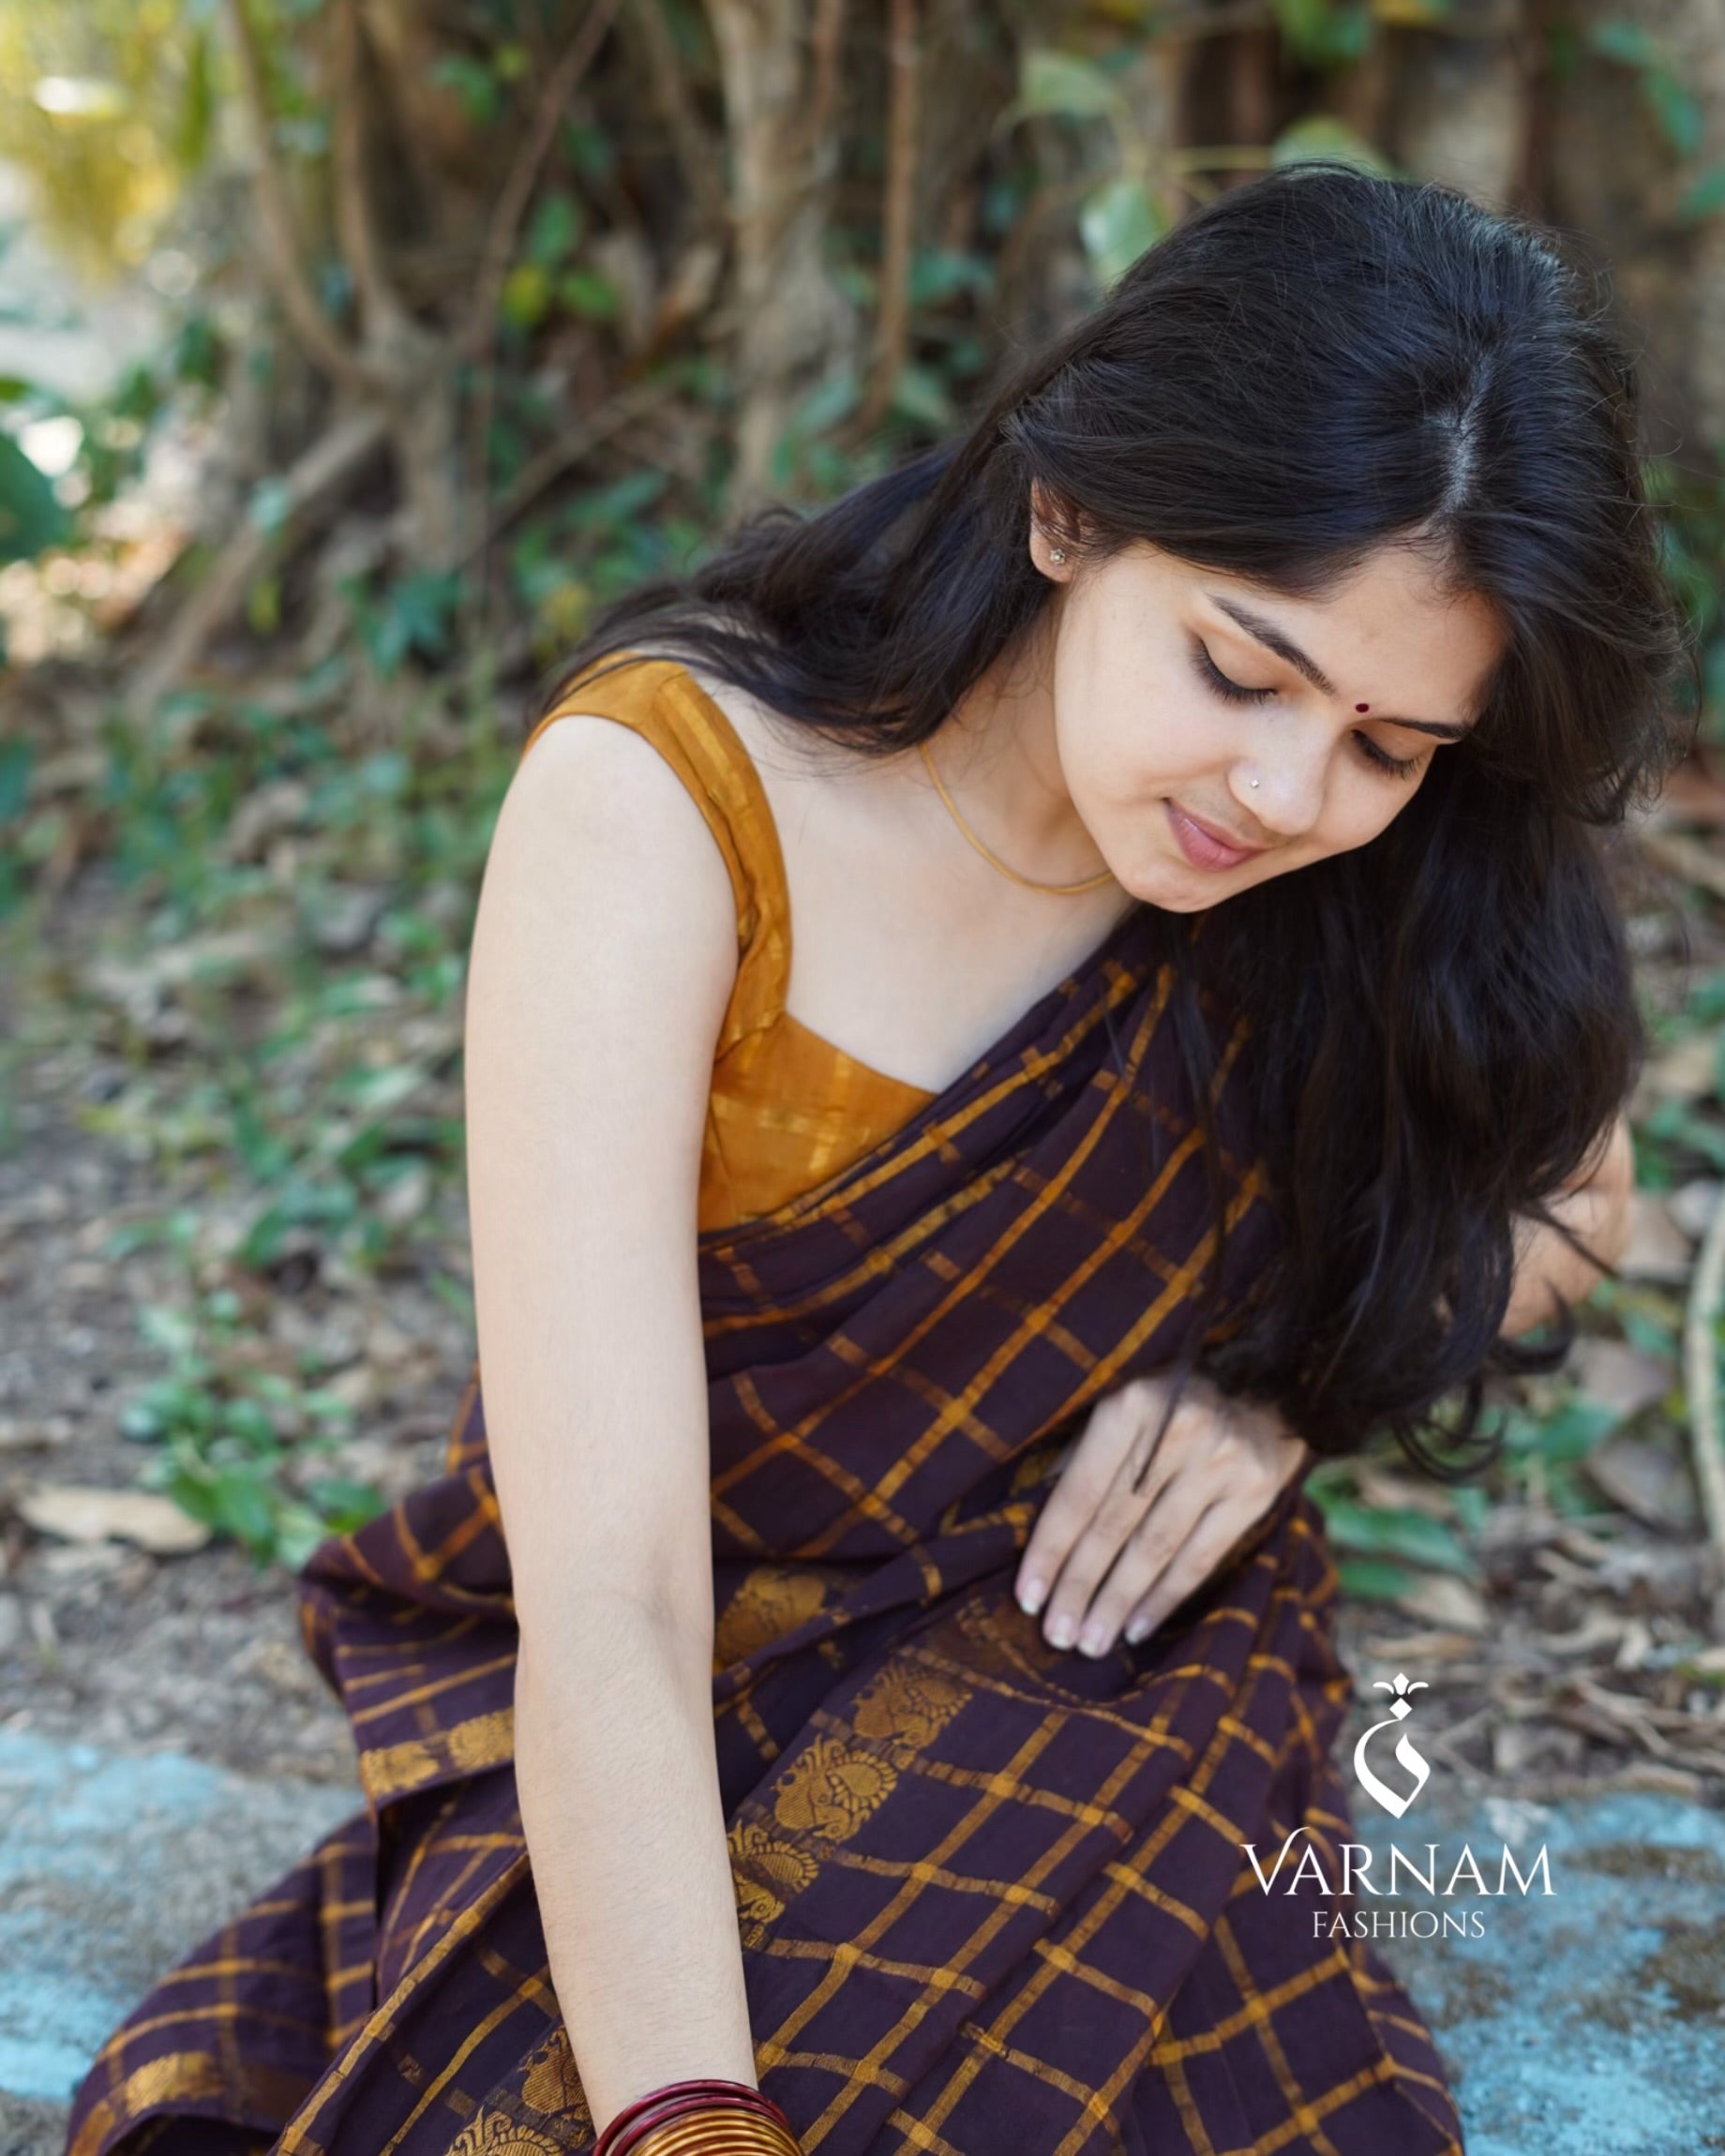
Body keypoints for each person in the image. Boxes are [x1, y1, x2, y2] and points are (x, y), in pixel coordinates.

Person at [66, 159, 1681, 2156]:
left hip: (1098, 1667)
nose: (1285, 790)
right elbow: (611, 1590)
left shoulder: (1372, 876)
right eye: (1239, 671)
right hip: (655, 1665)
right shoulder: (670, 812)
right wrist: (685, 2120)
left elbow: (1580, 1204)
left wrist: (1275, 1395)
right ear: (1066, 507)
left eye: (1383, 742)